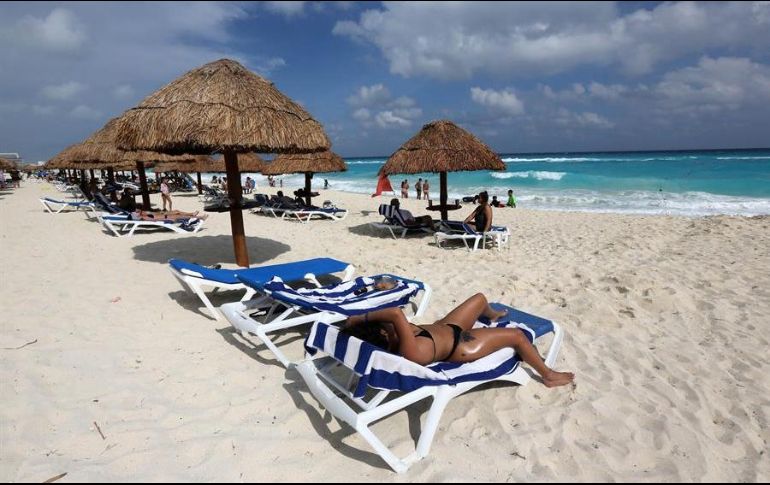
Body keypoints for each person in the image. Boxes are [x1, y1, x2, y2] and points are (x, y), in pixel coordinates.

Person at [341, 293, 574, 387]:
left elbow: (390, 318)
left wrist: (355, 324)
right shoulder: (409, 350)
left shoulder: (391, 334)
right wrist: (360, 318)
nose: (389, 327)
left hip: (446, 326)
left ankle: (492, 315)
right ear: (384, 337)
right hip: (461, 344)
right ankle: (547, 374)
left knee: (480, 298)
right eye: (385, 329)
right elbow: (394, 313)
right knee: (517, 336)